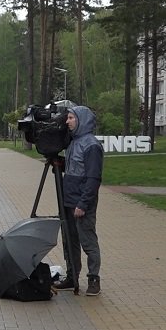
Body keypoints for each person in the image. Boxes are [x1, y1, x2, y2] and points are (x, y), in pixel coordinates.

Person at [53, 105, 104, 296]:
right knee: (70, 241)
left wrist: (83, 204)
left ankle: (93, 280)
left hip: (82, 204)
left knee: (88, 241)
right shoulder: (74, 142)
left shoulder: (91, 145)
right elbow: (75, 169)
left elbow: (93, 178)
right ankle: (72, 276)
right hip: (68, 201)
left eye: (71, 118)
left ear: (82, 120)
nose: (67, 121)